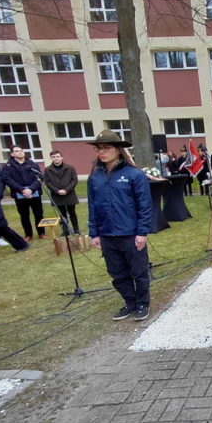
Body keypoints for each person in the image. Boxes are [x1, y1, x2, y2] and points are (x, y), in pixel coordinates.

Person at [87, 130, 152, 322]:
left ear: (118, 150)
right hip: (107, 234)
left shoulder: (134, 175)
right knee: (117, 273)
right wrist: (94, 233)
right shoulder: (95, 177)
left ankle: (142, 303)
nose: (102, 152)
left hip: (130, 233)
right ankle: (130, 302)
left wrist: (142, 232)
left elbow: (144, 205)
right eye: (99, 149)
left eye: (107, 148)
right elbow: (93, 206)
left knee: (139, 271)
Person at [2, 145, 46, 241]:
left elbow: (40, 177)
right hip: (19, 193)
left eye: (21, 150)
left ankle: (41, 232)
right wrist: (22, 190)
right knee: (24, 215)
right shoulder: (8, 166)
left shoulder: (32, 164)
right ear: (12, 154)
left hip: (34, 192)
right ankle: (28, 234)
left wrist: (31, 189)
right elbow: (7, 179)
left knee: (38, 214)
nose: (20, 152)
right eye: (17, 151)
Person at [43, 150, 80, 235]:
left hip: (69, 194)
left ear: (61, 157)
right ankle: (65, 230)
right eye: (54, 157)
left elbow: (74, 180)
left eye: (58, 157)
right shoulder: (48, 170)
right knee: (62, 214)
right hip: (57, 195)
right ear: (51, 158)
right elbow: (47, 182)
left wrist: (66, 190)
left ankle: (76, 229)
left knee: (72, 212)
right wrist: (57, 191)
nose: (56, 159)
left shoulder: (70, 168)